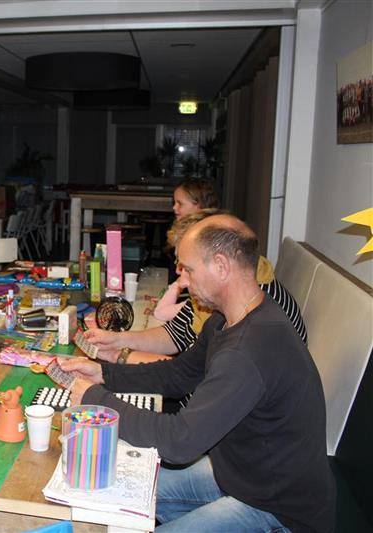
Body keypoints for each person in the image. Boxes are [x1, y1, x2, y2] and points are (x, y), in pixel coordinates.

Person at [61, 215, 335, 532]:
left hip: (279, 511)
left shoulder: (248, 351)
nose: (182, 280)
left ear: (221, 266)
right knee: (107, 487)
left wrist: (97, 400)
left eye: (188, 269)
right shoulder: (227, 320)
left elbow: (180, 443)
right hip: (241, 477)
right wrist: (104, 374)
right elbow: (179, 374)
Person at [86, 210, 306, 365]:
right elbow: (176, 337)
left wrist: (121, 356)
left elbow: (193, 375)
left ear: (219, 264)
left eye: (187, 267)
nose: (180, 274)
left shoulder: (246, 308)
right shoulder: (224, 291)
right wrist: (118, 341)